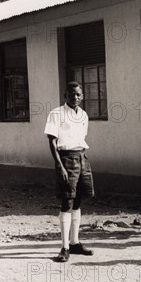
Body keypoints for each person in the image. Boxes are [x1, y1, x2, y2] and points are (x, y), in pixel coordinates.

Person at [44, 82, 95, 263]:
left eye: (78, 95)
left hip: (81, 157)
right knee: (67, 201)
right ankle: (64, 247)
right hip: (66, 159)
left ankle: (75, 242)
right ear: (65, 95)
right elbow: (52, 141)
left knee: (78, 200)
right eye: (72, 94)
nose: (75, 98)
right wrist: (59, 165)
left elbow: (81, 138)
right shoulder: (56, 114)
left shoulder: (83, 115)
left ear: (82, 96)